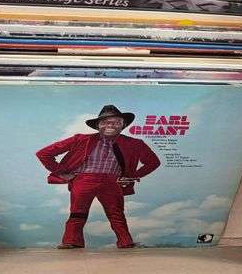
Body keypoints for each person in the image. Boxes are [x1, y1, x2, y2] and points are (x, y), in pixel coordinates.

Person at [36, 104, 161, 249]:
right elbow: (43, 153)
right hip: (84, 180)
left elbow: (153, 162)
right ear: (97, 125)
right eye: (105, 122)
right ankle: (71, 241)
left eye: (116, 122)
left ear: (123, 125)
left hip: (112, 182)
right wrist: (61, 172)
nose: (110, 125)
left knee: (116, 214)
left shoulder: (135, 143)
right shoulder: (80, 139)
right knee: (78, 212)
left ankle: (126, 242)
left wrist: (133, 176)